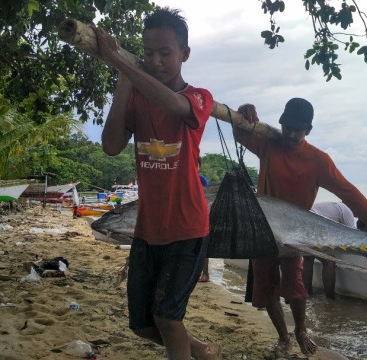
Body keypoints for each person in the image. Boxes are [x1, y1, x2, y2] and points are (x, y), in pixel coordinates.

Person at [96, 8, 220, 360]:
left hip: (187, 226)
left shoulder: (200, 97)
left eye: (165, 53)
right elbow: (111, 146)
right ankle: (202, 351)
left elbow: (174, 104)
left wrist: (124, 65)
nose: (155, 60)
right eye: (148, 52)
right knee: (142, 324)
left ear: (185, 54)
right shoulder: (135, 96)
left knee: (166, 316)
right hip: (148, 229)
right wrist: (124, 79)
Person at [236, 98, 367, 356]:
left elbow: (347, 191)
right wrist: (243, 113)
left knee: (295, 286)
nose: (289, 134)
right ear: (280, 124)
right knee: (266, 288)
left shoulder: (318, 160)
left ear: (308, 131)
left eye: (297, 130)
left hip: (296, 233)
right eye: (286, 127)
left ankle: (300, 330)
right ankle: (283, 337)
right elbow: (241, 133)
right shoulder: (269, 143)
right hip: (263, 230)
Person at [303, 201, 355, 300]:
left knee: (308, 259)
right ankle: (330, 299)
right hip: (313, 222)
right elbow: (351, 236)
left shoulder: (334, 206)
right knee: (329, 261)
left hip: (304, 219)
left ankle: (307, 294)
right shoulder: (348, 211)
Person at [198, 157, 211, 283]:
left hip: (201, 215)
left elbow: (207, 195)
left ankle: (205, 274)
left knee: (203, 248)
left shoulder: (201, 179)